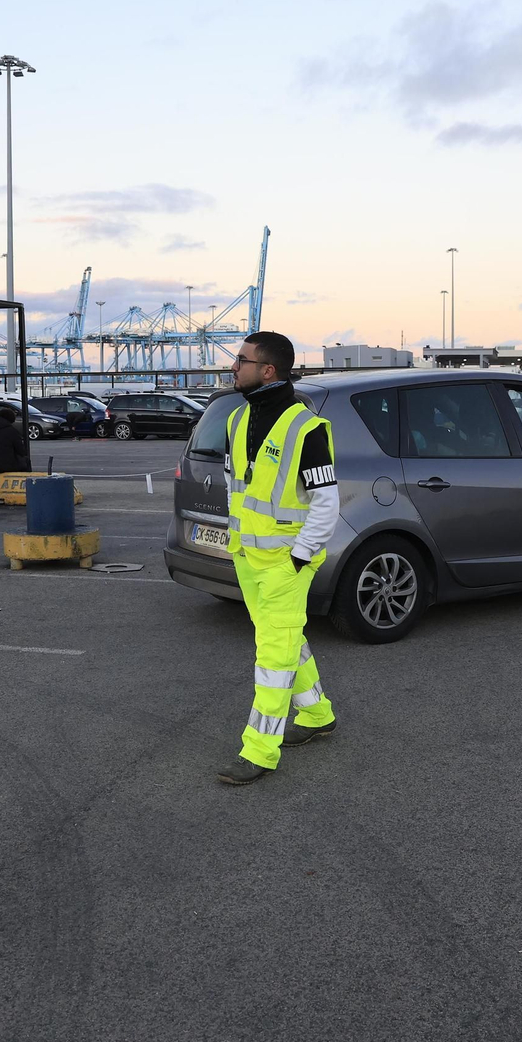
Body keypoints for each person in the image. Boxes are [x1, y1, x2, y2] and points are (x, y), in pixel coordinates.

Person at [216, 331, 340, 786]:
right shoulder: (236, 420)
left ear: (267, 370)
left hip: (287, 563)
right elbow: (240, 490)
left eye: (242, 361)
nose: (234, 367)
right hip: (249, 557)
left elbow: (327, 503)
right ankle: (317, 714)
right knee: (285, 638)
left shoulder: (307, 428)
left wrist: (299, 558)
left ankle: (260, 750)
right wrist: (236, 546)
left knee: (272, 653)